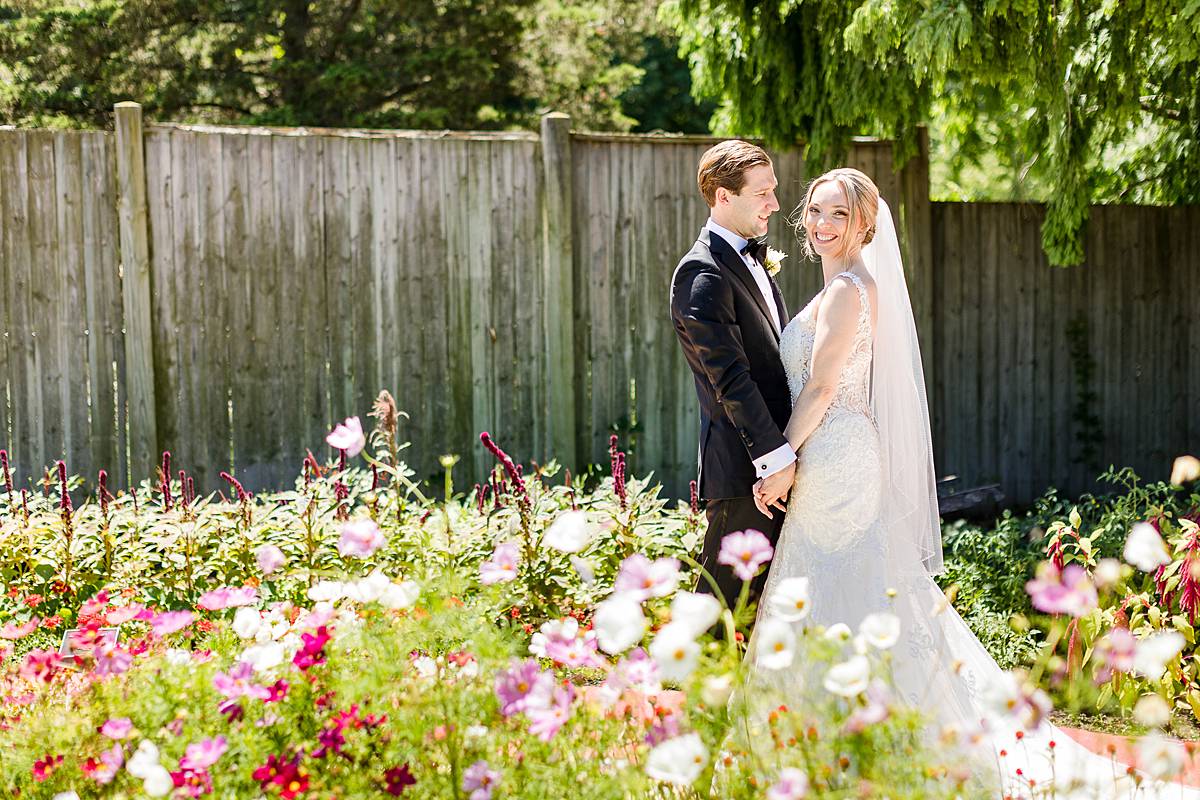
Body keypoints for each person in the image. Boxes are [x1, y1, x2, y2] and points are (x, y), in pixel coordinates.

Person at [750, 167, 1197, 798]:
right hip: (832, 453)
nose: (823, 225)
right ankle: (837, 733)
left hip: (837, 457)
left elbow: (822, 386)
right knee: (847, 587)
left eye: (838, 216)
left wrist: (777, 459)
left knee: (841, 586)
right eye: (816, 212)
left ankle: (864, 738)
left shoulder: (850, 290)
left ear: (864, 225)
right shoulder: (842, 287)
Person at [669, 140, 797, 617]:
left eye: (774, 190)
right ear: (723, 197)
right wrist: (776, 460)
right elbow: (732, 380)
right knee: (718, 615)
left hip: (777, 469)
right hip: (747, 474)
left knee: (762, 614)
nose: (775, 204)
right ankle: (677, 697)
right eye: (762, 193)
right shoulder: (702, 274)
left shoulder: (749, 259)